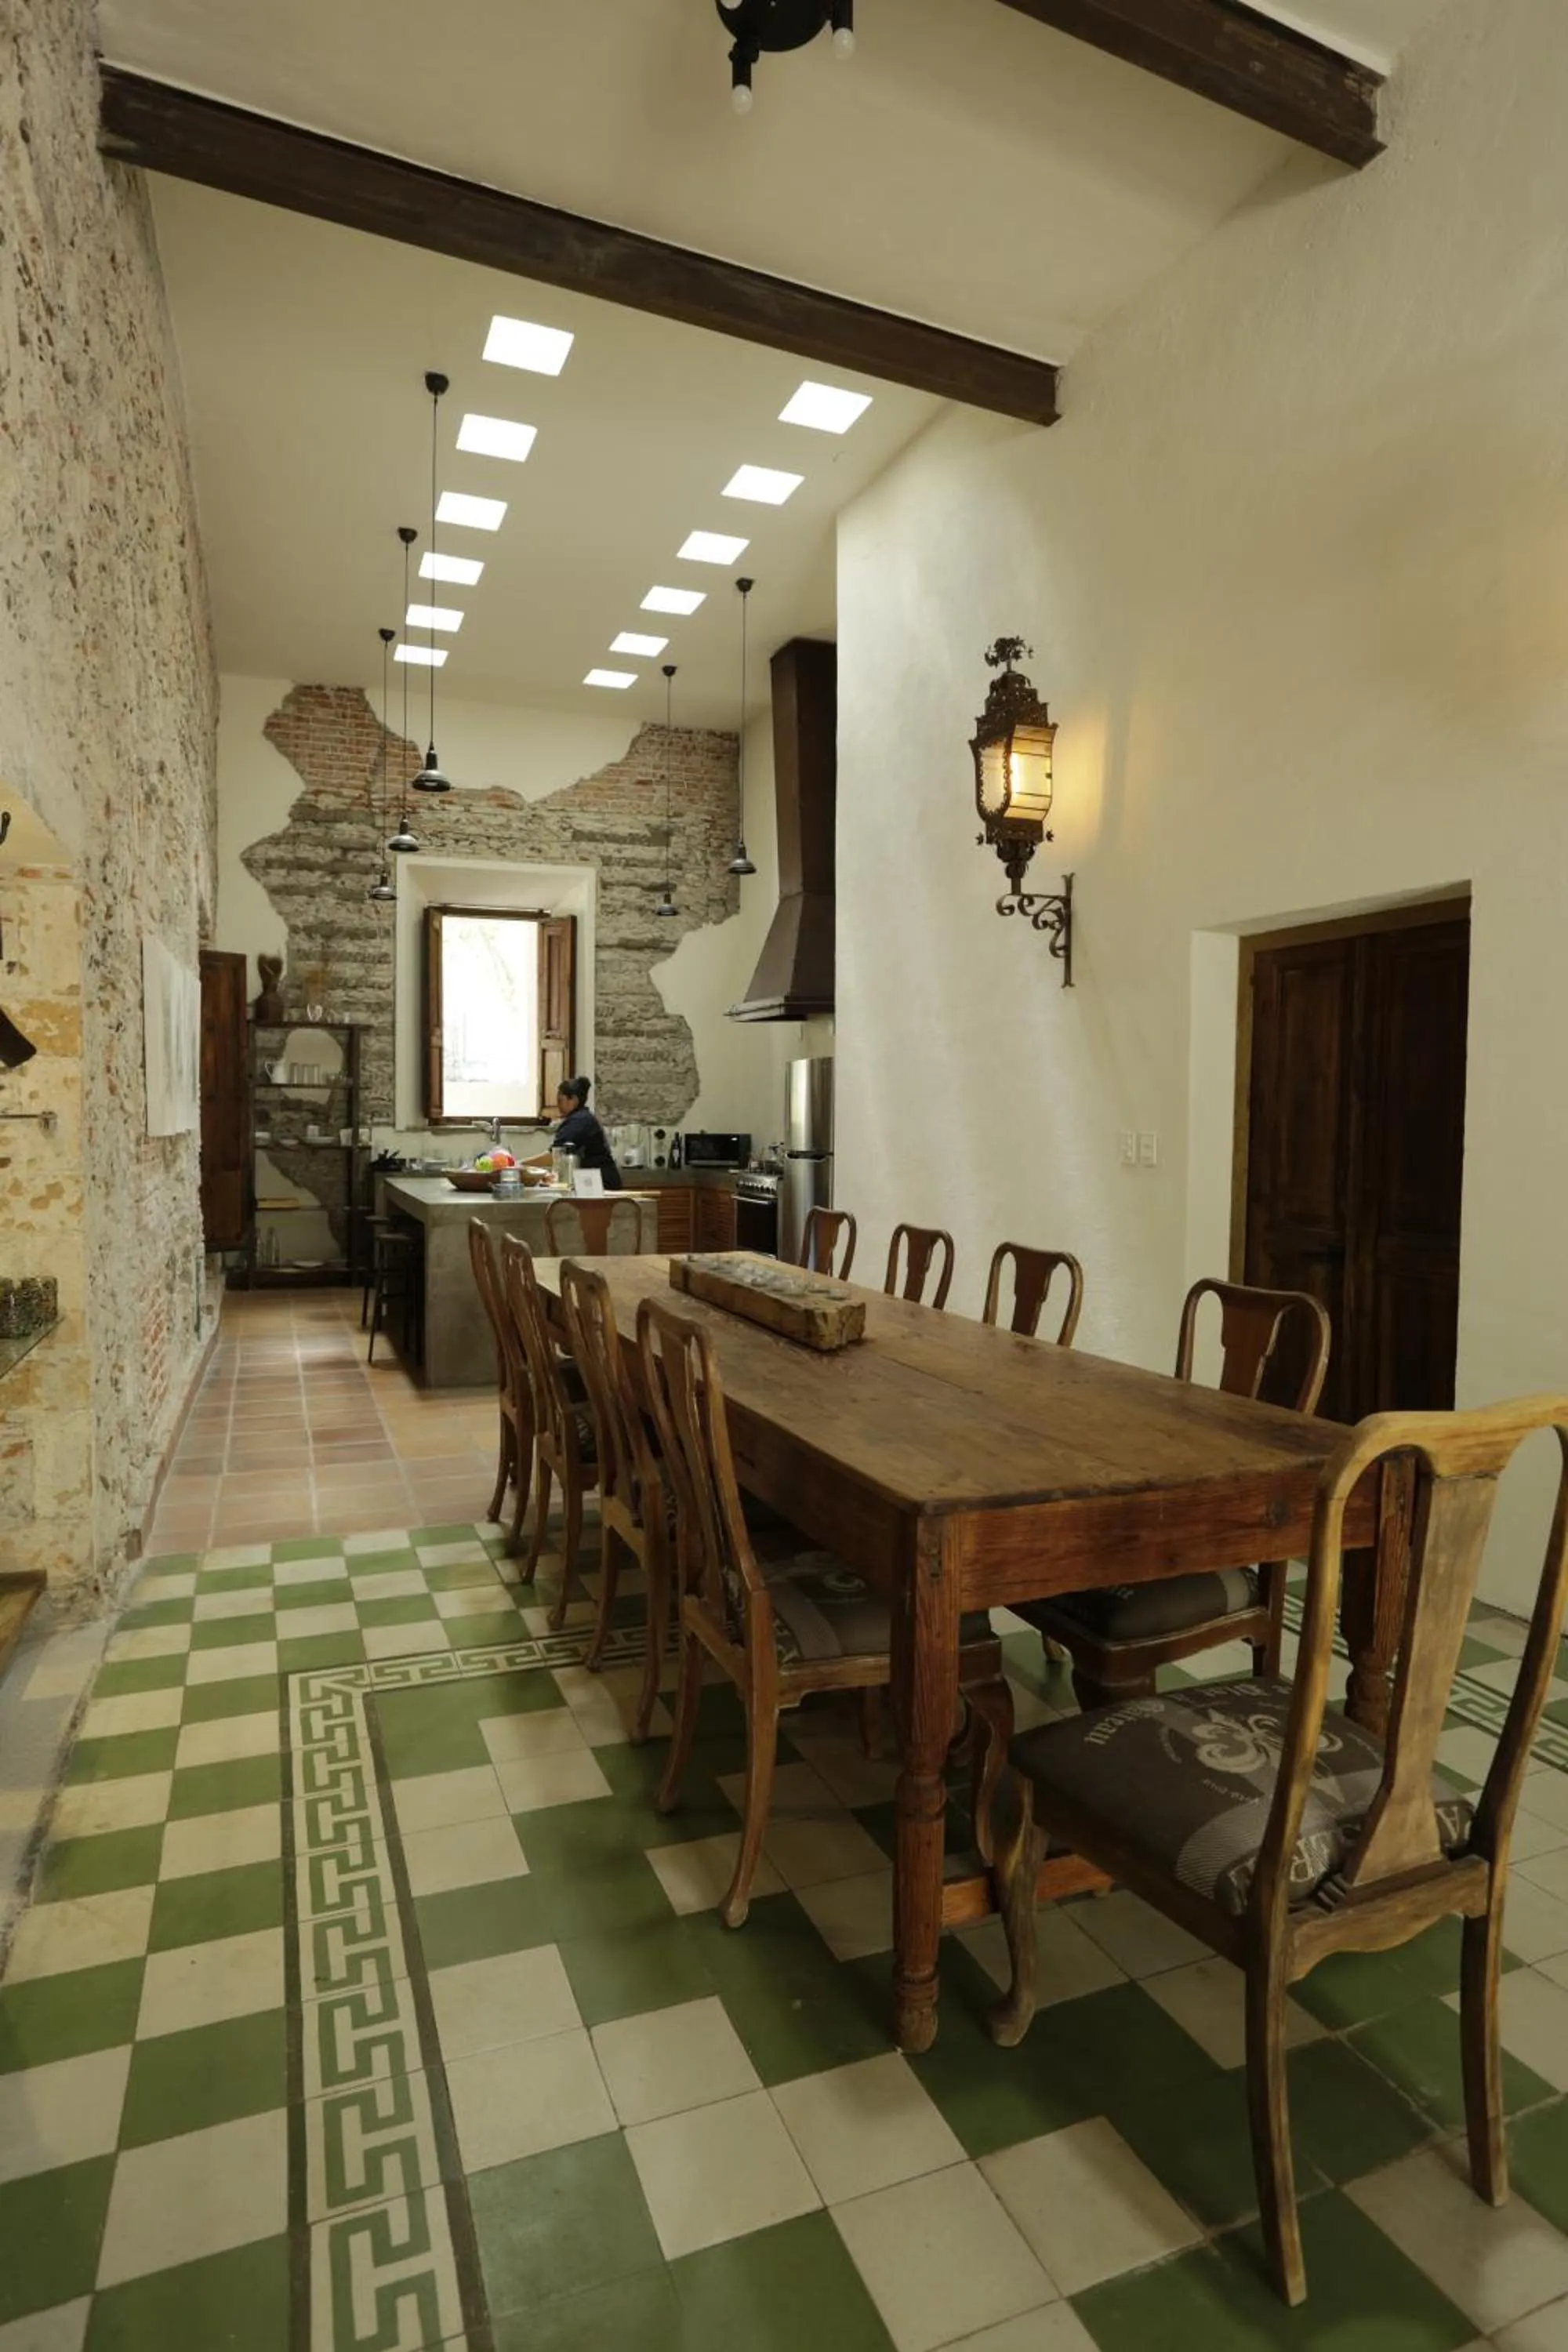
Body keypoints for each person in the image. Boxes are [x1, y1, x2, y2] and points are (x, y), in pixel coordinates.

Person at [530, 1075, 622, 1190]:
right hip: (594, 1180)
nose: (558, 1106)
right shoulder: (582, 1118)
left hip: (601, 1183)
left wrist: (520, 1165)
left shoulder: (579, 1121)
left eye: (560, 1100)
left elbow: (555, 1155)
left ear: (573, 1100)